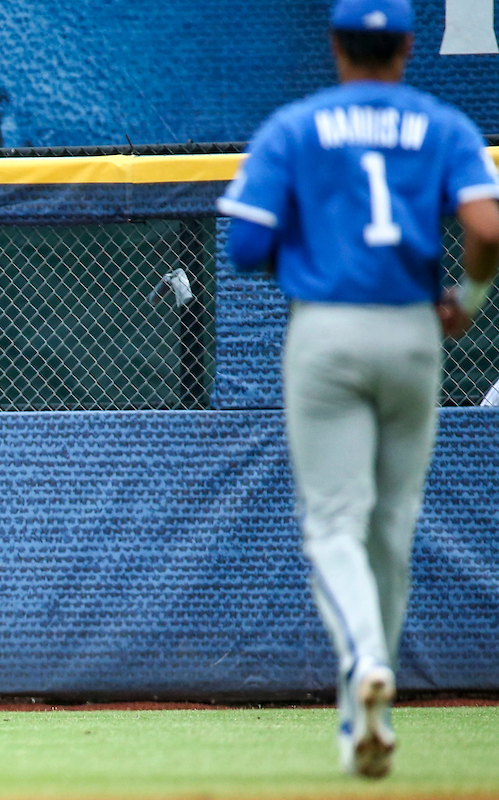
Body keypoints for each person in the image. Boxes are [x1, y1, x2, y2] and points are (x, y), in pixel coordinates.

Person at [218, 0, 499, 779]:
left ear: (336, 46)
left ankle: (367, 660)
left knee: (334, 524)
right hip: (415, 331)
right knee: (391, 529)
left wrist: (313, 243)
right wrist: (470, 301)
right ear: (408, 46)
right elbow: (486, 228)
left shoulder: (297, 126)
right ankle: (362, 712)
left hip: (329, 329)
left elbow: (244, 244)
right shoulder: (443, 126)